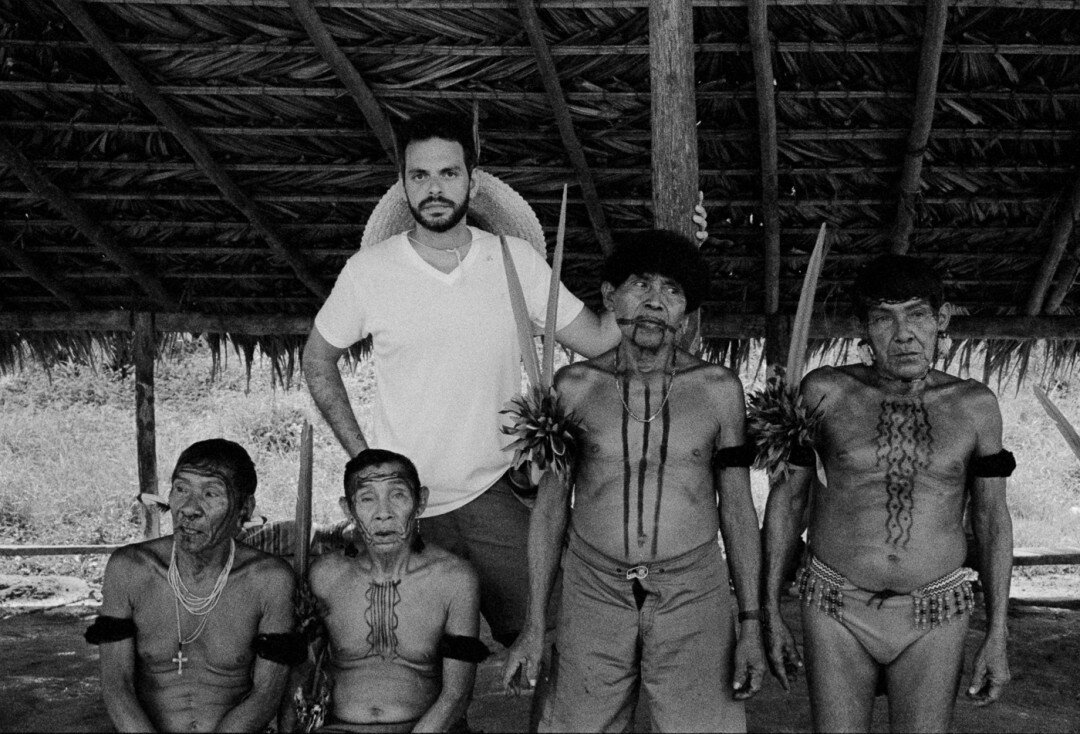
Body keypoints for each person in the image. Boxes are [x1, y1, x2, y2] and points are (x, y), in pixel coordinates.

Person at [303, 112, 710, 648]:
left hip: (496, 492)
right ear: (402, 183)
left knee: (549, 637)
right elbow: (317, 359)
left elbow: (597, 336)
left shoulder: (513, 260)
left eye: (448, 174)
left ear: (472, 179)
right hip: (405, 507)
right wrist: (363, 460)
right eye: (419, 175)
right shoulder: (368, 271)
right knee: (417, 658)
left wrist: (682, 252)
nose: (434, 189)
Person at [501, 229, 766, 732]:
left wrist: (750, 622)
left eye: (671, 290)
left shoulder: (717, 390)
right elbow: (552, 508)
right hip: (594, 585)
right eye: (641, 285)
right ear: (609, 297)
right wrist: (536, 624)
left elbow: (736, 508)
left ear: (685, 312)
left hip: (693, 586)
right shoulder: (574, 388)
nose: (654, 302)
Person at [762, 254, 1015, 732]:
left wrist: (998, 631)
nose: (903, 334)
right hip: (834, 603)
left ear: (941, 320)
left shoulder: (975, 406)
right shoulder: (825, 393)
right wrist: (769, 610)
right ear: (863, 329)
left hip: (936, 609)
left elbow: (992, 520)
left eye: (917, 314)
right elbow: (788, 502)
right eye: (884, 318)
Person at [87, 438, 302, 733]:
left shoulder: (269, 580)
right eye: (181, 489)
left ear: (245, 508)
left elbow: (266, 693)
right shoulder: (130, 569)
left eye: (211, 493)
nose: (189, 508)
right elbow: (117, 684)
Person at [305, 448, 487, 733]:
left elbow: (457, 694)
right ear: (347, 509)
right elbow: (303, 673)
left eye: (398, 495)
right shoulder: (325, 576)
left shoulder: (453, 578)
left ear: (420, 502)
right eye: (367, 499)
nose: (383, 514)